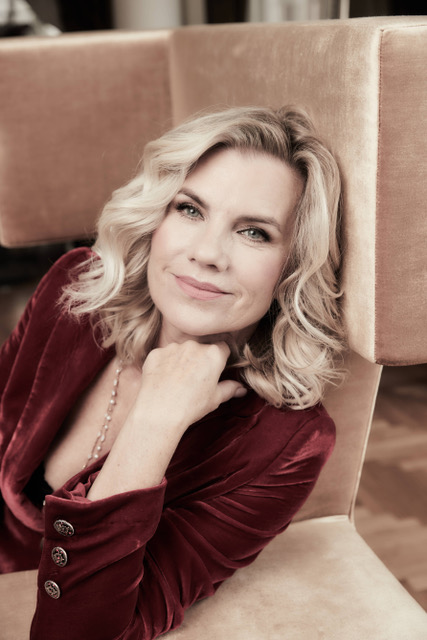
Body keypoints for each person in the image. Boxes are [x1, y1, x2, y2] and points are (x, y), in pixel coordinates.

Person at [0, 106, 344, 639]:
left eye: (254, 232)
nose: (207, 254)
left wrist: (155, 421)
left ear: (293, 267)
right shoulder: (77, 289)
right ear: (155, 218)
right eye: (189, 209)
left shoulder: (287, 444)